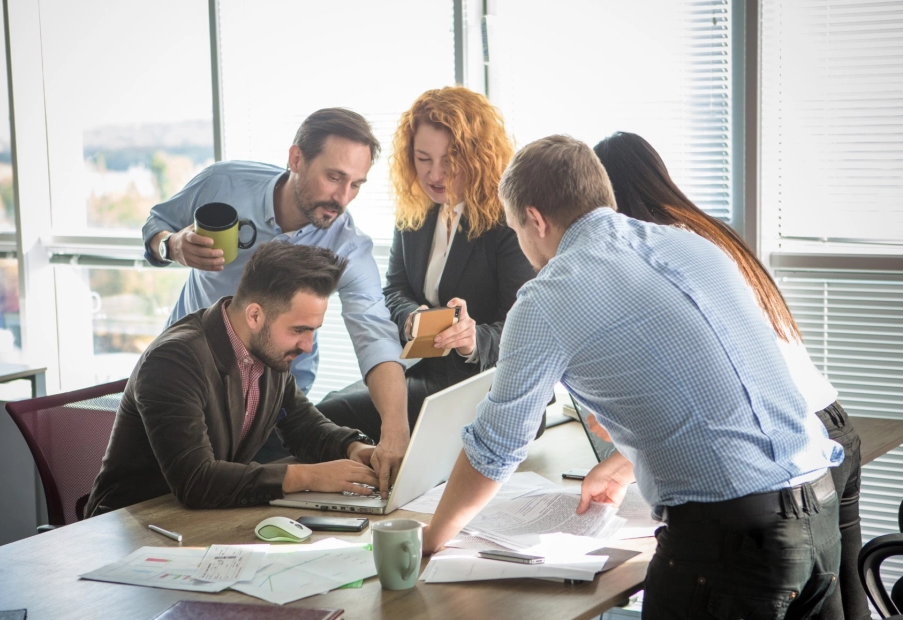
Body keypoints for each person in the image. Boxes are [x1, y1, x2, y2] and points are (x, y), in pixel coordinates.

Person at [422, 135, 845, 619]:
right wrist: (626, 462)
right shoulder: (693, 246)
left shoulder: (547, 297)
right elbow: (717, 389)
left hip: (731, 542)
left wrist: (430, 539)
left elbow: (496, 447)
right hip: (818, 510)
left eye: (516, 227)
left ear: (535, 219)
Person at [592, 130, 868, 620]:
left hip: (791, 441)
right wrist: (620, 462)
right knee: (847, 603)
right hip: (829, 424)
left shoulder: (665, 258)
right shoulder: (706, 235)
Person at [141, 109, 408, 493]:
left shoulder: (348, 245)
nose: (343, 198)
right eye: (334, 177)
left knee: (255, 499)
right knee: (193, 487)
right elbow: (157, 223)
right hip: (192, 379)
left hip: (270, 395)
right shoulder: (223, 183)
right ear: (296, 158)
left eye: (356, 185)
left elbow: (375, 335)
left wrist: (393, 433)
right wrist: (172, 244)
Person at [86, 244, 381, 517]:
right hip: (130, 523)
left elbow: (304, 427)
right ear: (255, 315)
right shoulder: (174, 359)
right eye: (298, 330)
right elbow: (196, 481)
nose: (307, 345)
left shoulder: (268, 351)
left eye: (313, 330)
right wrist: (310, 476)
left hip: (204, 518)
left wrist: (356, 449)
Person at [316, 87, 534, 437]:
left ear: (479, 156)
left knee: (328, 417)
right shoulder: (415, 211)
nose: (435, 175)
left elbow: (524, 326)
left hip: (485, 387)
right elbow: (395, 289)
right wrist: (411, 318)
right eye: (423, 159)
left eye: (450, 159)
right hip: (423, 369)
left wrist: (471, 339)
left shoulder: (507, 222)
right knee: (325, 412)